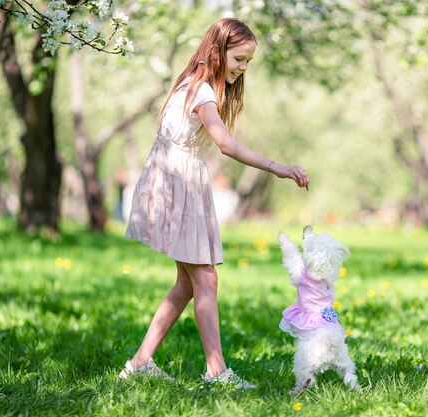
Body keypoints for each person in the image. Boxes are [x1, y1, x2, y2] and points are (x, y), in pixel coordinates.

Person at [118, 18, 310, 389]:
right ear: (217, 50)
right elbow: (225, 143)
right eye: (239, 58)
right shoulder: (202, 91)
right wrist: (278, 168)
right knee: (204, 277)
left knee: (188, 283)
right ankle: (216, 371)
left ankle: (140, 362)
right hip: (180, 184)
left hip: (176, 181)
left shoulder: (192, 85)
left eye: (248, 62)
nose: (243, 68)